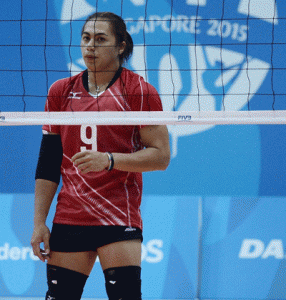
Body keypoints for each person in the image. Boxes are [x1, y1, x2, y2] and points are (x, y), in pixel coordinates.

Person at [31, 11, 170, 300]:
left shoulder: (139, 91)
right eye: (85, 38)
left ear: (121, 46)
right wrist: (39, 222)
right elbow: (48, 163)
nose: (90, 46)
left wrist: (110, 160)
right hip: (70, 216)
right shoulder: (61, 91)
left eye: (100, 39)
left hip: (118, 216)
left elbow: (161, 157)